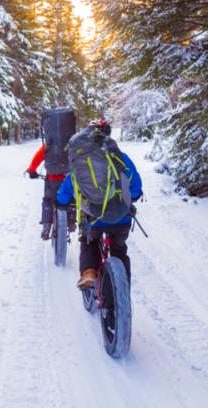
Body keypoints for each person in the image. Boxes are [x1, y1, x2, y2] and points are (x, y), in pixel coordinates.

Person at [56, 120, 142, 289]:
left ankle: (89, 273)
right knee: (119, 250)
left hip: (94, 218)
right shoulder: (120, 158)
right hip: (121, 218)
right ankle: (123, 287)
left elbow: (67, 188)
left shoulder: (81, 162)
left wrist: (61, 203)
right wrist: (132, 197)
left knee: (89, 242)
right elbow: (136, 186)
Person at [26, 143, 76, 239]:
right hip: (69, 178)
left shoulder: (49, 144)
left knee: (48, 199)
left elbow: (38, 157)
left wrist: (32, 170)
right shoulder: (73, 142)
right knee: (70, 198)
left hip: (53, 179)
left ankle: (46, 225)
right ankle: (71, 222)